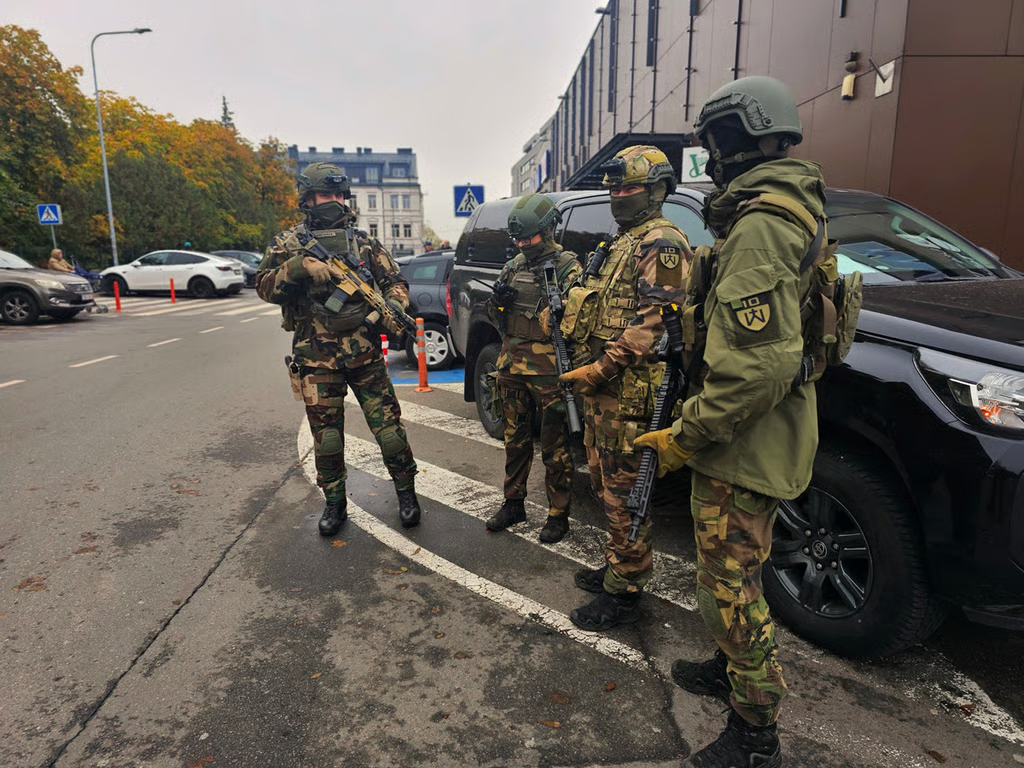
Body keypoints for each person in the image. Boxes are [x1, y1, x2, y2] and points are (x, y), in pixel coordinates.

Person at [633, 76, 827, 768]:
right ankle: (731, 670)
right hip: (749, 432)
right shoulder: (784, 209)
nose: (710, 155)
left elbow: (755, 369)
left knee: (730, 587)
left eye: (716, 139)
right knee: (731, 576)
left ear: (743, 136)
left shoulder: (761, 227)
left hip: (743, 440)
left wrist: (683, 437)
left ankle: (756, 730)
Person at [558, 145, 692, 631]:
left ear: (658, 189)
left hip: (630, 391)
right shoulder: (620, 242)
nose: (617, 194)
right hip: (604, 390)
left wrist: (601, 369)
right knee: (602, 484)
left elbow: (653, 324)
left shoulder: (663, 244)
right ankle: (619, 565)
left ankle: (626, 593)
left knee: (623, 493)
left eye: (628, 186)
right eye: (612, 186)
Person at [256, 162, 423, 534]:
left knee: (391, 432)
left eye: (336, 195)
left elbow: (395, 281)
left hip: (366, 356)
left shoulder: (364, 242)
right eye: (323, 195)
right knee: (327, 439)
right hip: (316, 360)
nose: (331, 201)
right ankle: (334, 503)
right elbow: (264, 286)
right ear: (307, 199)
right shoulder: (287, 244)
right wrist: (297, 268)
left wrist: (392, 307)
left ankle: (407, 494)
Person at [484, 193, 583, 544]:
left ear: (548, 230)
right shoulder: (514, 266)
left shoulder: (570, 267)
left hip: (549, 370)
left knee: (555, 446)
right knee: (515, 440)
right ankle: (513, 503)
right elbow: (495, 318)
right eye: (519, 240)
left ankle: (558, 514)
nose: (524, 244)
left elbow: (578, 322)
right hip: (512, 364)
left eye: (529, 238)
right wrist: (496, 303)